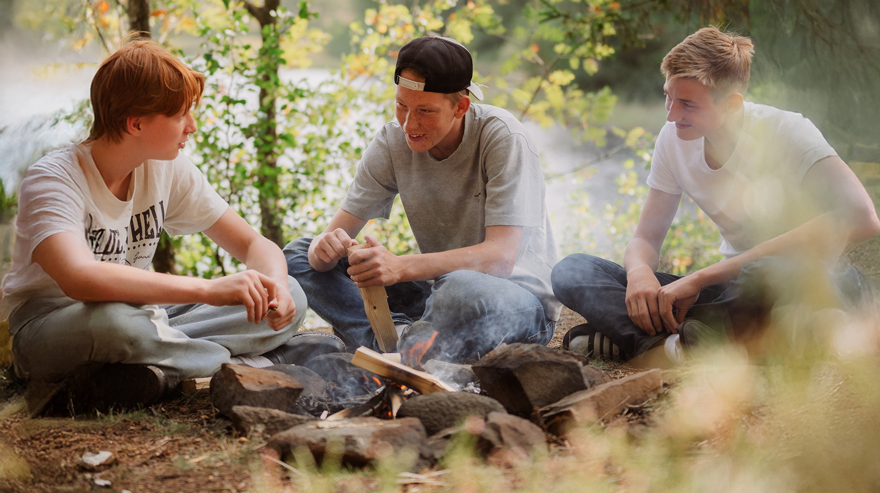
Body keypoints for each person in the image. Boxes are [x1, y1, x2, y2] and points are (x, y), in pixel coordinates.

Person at [1, 38, 343, 414]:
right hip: (52, 329)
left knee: (292, 292)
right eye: (181, 116)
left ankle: (159, 369)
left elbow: (252, 244)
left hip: (150, 318)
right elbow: (78, 278)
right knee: (117, 323)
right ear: (135, 123)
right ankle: (252, 365)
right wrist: (211, 290)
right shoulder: (53, 180)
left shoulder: (165, 167)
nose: (191, 127)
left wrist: (275, 287)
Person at [551, 27, 880, 365]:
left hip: (807, 281)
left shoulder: (787, 131)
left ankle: (658, 340)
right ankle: (674, 346)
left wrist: (702, 277)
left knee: (762, 276)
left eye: (687, 104)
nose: (671, 114)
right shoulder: (673, 138)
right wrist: (639, 276)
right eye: (668, 96)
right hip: (729, 291)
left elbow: (863, 218)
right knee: (572, 269)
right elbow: (646, 238)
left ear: (732, 103)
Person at [285, 36, 561, 363]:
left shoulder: (502, 136)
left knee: (460, 290)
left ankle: (390, 348)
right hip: (436, 293)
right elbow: (331, 241)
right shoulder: (392, 142)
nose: (409, 124)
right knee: (297, 254)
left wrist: (400, 267)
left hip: (512, 300)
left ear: (460, 106)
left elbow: (499, 258)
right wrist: (323, 250)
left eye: (425, 111)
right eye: (401, 105)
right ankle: (399, 343)